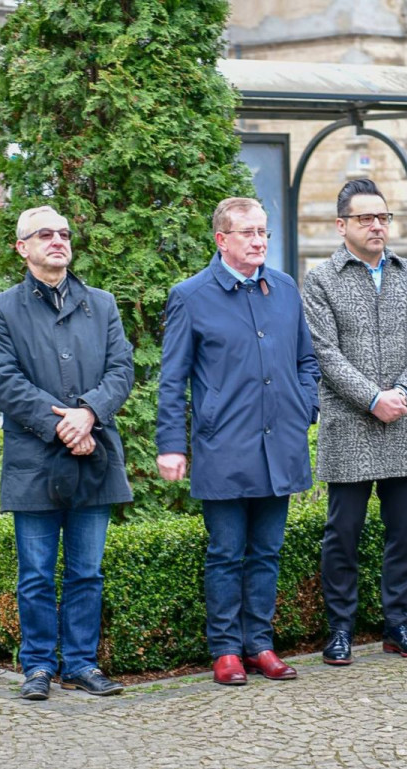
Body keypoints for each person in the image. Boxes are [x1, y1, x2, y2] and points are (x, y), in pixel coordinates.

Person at [156, 197, 320, 687]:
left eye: (263, 232)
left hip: (280, 445)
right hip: (223, 445)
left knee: (268, 552)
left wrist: (303, 406)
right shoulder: (191, 295)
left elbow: (306, 361)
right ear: (221, 240)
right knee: (227, 552)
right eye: (248, 232)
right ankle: (226, 649)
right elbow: (173, 379)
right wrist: (172, 444)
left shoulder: (286, 288)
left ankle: (261, 645)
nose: (259, 241)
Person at [0, 205, 134, 700]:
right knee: (36, 573)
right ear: (21, 247)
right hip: (35, 462)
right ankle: (39, 666)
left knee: (87, 571)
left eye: (64, 233)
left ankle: (83, 664)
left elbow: (122, 370)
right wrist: (62, 425)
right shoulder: (2, 308)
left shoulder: (102, 304)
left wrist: (88, 414)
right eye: (44, 234)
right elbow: (3, 382)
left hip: (95, 455)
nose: (57, 241)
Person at [302, 179, 407, 666]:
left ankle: (399, 624)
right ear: (342, 226)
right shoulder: (320, 280)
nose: (377, 226)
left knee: (405, 532)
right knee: (343, 533)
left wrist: (401, 393)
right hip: (349, 424)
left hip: (404, 421)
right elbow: (324, 352)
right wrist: (372, 398)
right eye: (366, 218)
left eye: (382, 217)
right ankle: (340, 628)